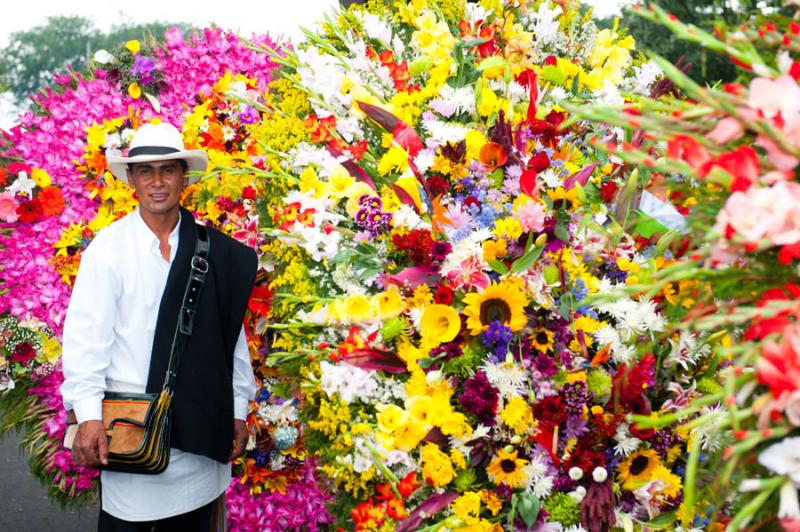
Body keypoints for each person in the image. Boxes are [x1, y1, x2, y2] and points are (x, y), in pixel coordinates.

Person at [60, 122, 258, 531]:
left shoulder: (215, 251)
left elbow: (230, 339)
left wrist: (237, 410)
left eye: (167, 170)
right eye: (146, 171)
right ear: (131, 179)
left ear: (184, 176)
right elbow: (86, 339)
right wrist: (89, 417)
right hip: (132, 430)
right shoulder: (109, 250)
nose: (157, 182)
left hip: (199, 432)